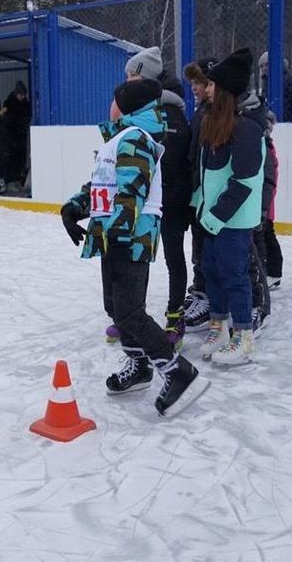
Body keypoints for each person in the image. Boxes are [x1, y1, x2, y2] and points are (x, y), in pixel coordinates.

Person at [60, 78, 208, 417]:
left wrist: (115, 231)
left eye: (114, 100)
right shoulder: (120, 138)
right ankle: (139, 365)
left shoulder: (137, 139)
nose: (110, 105)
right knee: (115, 307)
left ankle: (178, 373)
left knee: (129, 311)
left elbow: (131, 192)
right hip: (114, 235)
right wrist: (73, 207)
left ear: (127, 105)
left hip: (128, 237)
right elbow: (103, 184)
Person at [191, 48, 264, 366]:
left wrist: (216, 216)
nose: (205, 88)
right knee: (211, 271)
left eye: (211, 85)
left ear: (223, 91)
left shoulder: (247, 129)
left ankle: (244, 335)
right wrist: (199, 208)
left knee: (234, 275)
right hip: (210, 217)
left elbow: (244, 183)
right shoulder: (213, 123)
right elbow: (208, 174)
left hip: (231, 220)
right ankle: (218, 327)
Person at [122, 46, 192, 348]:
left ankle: (176, 316)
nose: (127, 80)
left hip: (172, 200)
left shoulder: (170, 114)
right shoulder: (143, 111)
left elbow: (169, 161)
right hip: (150, 200)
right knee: (142, 257)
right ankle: (137, 318)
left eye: (131, 75)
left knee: (173, 257)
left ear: (145, 76)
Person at [181, 57, 217, 333]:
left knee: (209, 247)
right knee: (199, 245)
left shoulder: (215, 112)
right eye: (192, 82)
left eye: (199, 82)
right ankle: (201, 291)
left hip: (210, 192)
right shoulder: (201, 109)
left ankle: (209, 296)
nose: (194, 87)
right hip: (197, 190)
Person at [258, 111, 283, 288]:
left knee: (267, 235)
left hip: (265, 201)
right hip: (262, 199)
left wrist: (266, 202)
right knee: (265, 235)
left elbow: (270, 176)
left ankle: (274, 272)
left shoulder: (267, 146)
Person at [258, 52, 292, 122]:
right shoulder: (266, 84)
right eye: (261, 66)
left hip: (289, 124)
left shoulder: (290, 79)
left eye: (267, 64)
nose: (264, 68)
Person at [2, 80, 31, 188]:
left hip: (21, 136)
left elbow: (27, 115)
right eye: (20, 95)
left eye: (23, 95)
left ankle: (19, 178)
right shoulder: (9, 103)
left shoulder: (25, 104)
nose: (22, 97)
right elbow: (6, 118)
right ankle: (12, 179)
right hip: (11, 136)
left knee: (21, 158)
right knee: (12, 159)